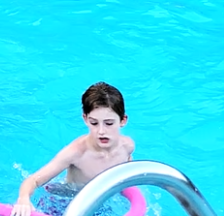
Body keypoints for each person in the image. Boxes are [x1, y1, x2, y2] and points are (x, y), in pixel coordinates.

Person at [10, 82, 134, 216]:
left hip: (99, 203)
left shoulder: (127, 147)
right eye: (94, 123)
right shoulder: (76, 153)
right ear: (85, 119)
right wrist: (23, 199)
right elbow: (33, 180)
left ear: (123, 121)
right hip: (65, 203)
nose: (101, 131)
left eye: (109, 123)